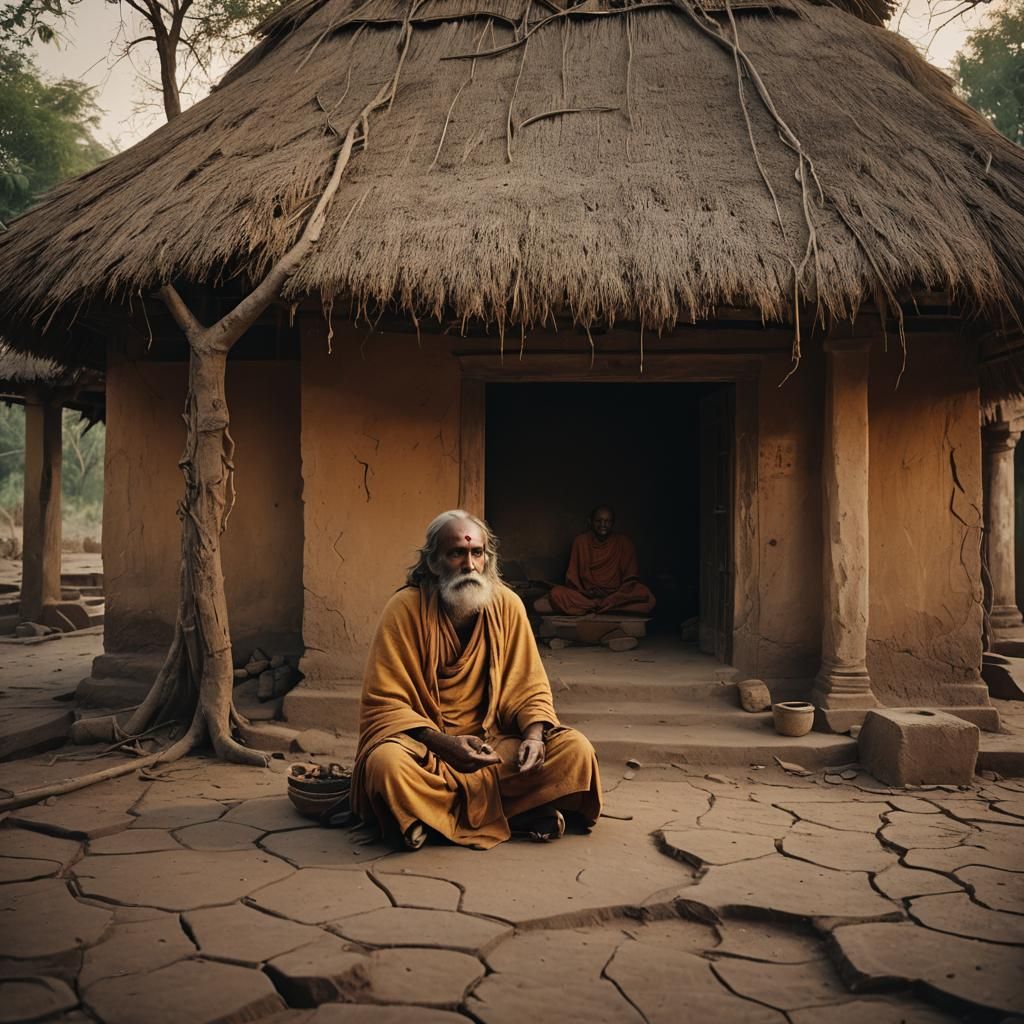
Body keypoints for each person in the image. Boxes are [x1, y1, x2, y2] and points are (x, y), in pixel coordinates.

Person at [351, 510, 602, 850]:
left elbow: (529, 687)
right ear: (434, 562)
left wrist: (533, 737)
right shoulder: (403, 609)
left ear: (488, 558)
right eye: (456, 553)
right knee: (386, 765)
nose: (469, 564)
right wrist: (444, 744)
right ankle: (519, 815)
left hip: (494, 747)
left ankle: (429, 820)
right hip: (427, 752)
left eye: (476, 553)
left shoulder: (508, 605)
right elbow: (386, 705)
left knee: (576, 751)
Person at [535, 505, 656, 617]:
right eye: (598, 521)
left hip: (616, 596)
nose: (603, 525)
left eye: (607, 521)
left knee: (645, 595)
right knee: (556, 593)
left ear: (613, 523)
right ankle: (605, 609)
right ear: (590, 522)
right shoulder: (581, 541)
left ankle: (596, 608)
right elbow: (573, 579)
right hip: (586, 596)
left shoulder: (625, 543)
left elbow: (630, 580)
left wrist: (614, 597)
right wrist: (587, 593)